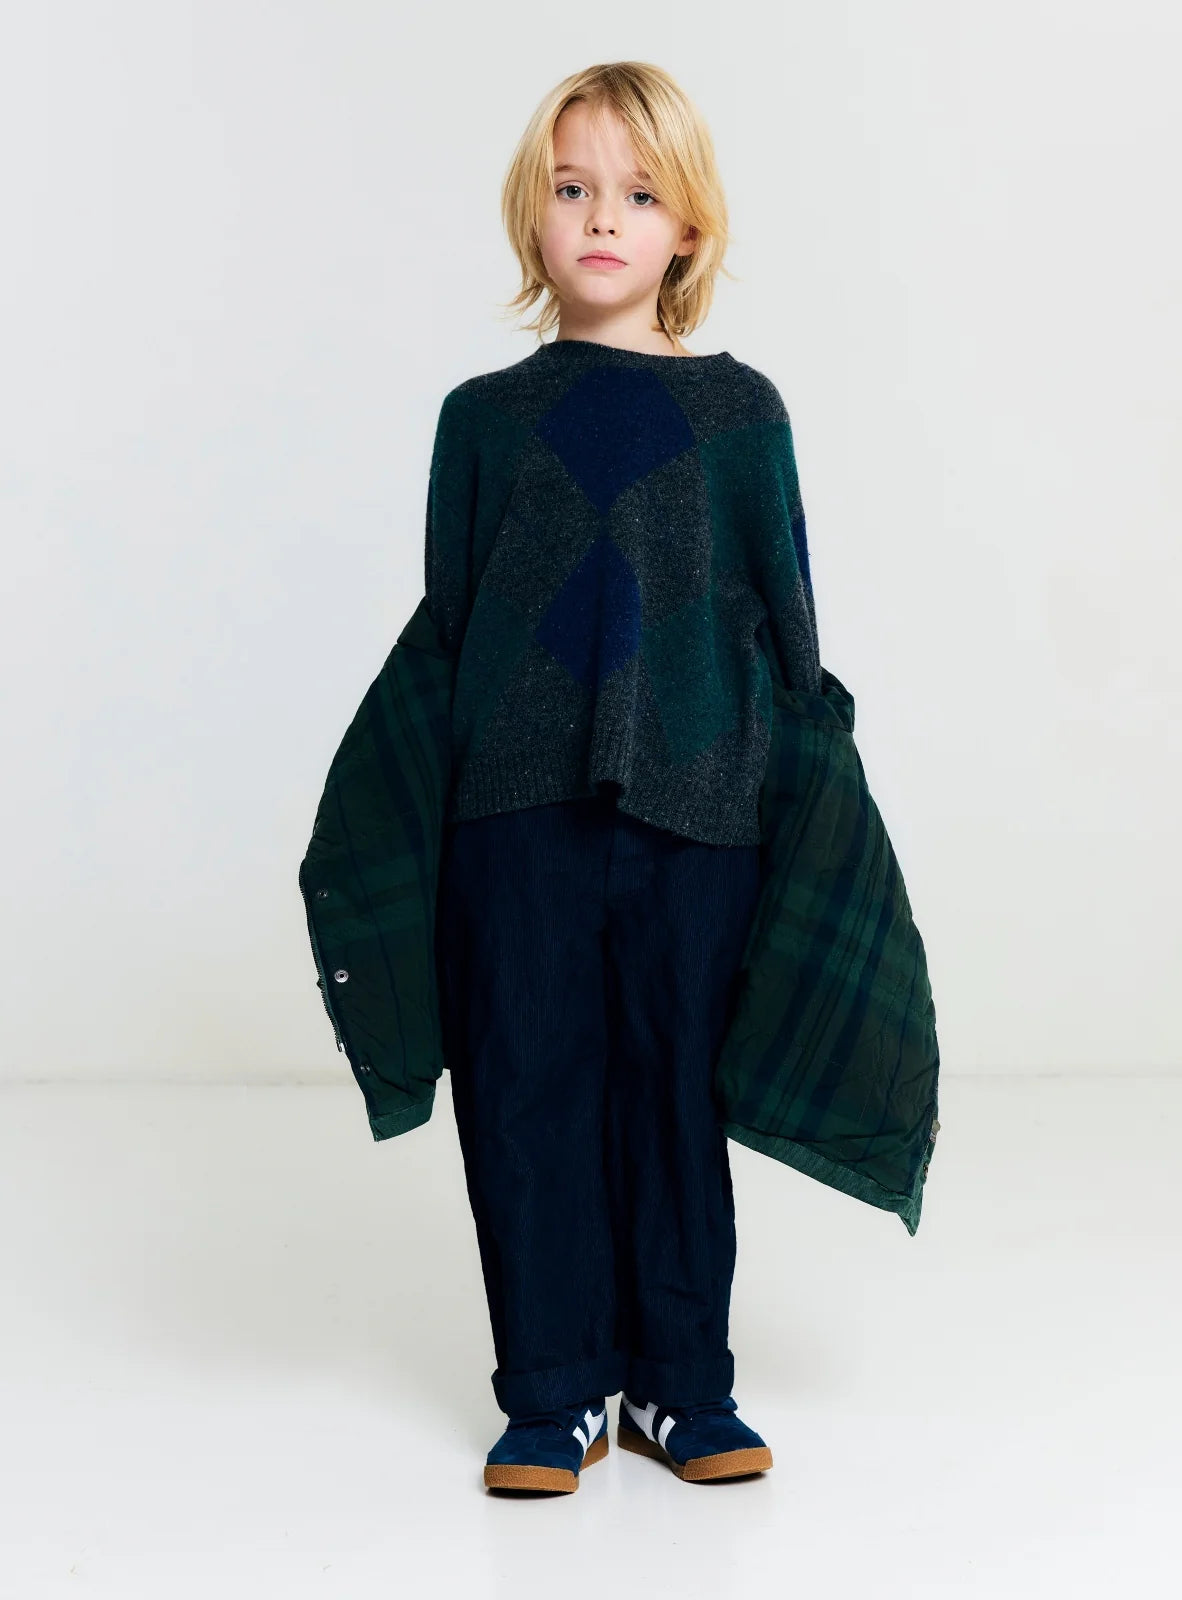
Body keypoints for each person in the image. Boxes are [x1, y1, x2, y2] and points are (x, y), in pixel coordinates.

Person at [428, 60, 817, 1494]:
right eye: (574, 188)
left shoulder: (742, 413)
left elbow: (784, 617)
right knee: (523, 1081)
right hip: (512, 809)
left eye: (641, 194)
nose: (604, 218)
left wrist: (796, 799)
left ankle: (680, 1384)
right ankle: (552, 1390)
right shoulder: (483, 419)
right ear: (531, 215)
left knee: (673, 1088)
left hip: (699, 806)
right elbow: (453, 621)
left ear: (689, 227)